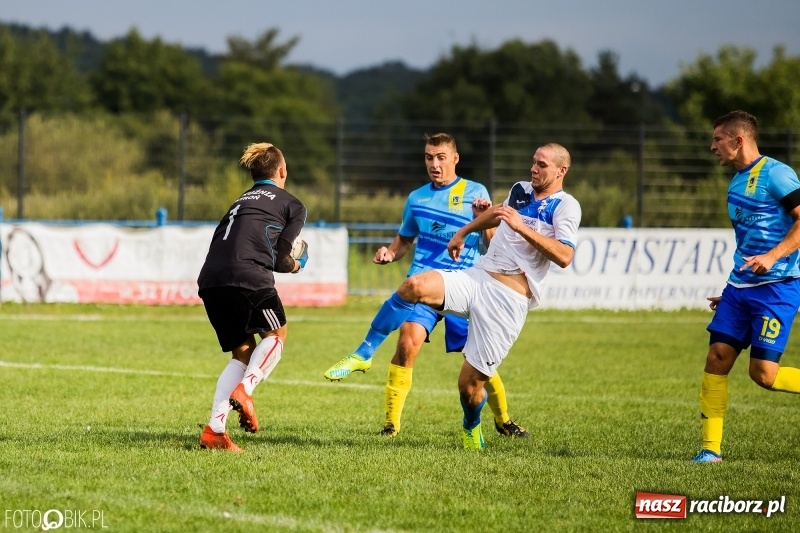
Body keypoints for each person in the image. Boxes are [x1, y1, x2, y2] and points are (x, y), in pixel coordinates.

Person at [330, 142, 580, 450]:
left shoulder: (566, 206)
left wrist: (521, 227)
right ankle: (364, 354)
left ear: (561, 170)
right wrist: (463, 232)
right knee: (414, 286)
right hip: (476, 277)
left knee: (469, 386)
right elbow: (496, 216)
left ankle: (472, 426)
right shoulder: (520, 189)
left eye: (542, 165)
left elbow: (565, 255)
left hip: (508, 300)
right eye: (533, 162)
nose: (533, 168)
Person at [693, 111, 800, 463]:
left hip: (778, 287)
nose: (712, 147)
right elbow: (748, 243)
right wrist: (732, 292)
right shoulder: (736, 181)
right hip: (740, 289)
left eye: (718, 139)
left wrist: (772, 256)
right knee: (716, 358)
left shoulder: (776, 173)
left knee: (764, 375)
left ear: (738, 140)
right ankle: (710, 451)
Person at [197, 142, 309, 452]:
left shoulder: (239, 201)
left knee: (242, 353)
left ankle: (215, 431)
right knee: (277, 332)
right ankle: (246, 391)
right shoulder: (291, 204)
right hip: (248, 276)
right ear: (282, 171)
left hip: (211, 281)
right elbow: (282, 257)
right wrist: (298, 264)